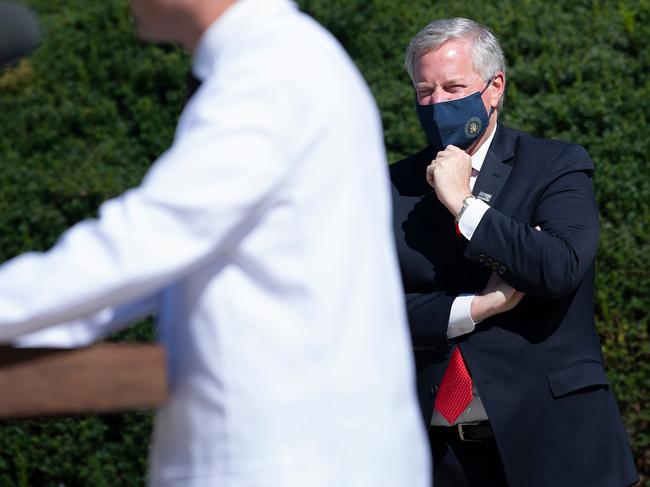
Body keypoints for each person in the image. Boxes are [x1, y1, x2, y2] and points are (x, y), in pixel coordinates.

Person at [0, 0, 431, 485]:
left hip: (287, 459)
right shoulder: (283, 58)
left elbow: (152, 239)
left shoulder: (270, 72)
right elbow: (162, 261)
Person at [390, 17, 638, 487]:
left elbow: (558, 266)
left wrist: (463, 206)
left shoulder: (556, 165)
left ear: (494, 86)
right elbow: (372, 311)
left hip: (554, 445)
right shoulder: (391, 186)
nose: (438, 103)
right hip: (437, 456)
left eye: (453, 86)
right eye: (425, 91)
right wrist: (475, 308)